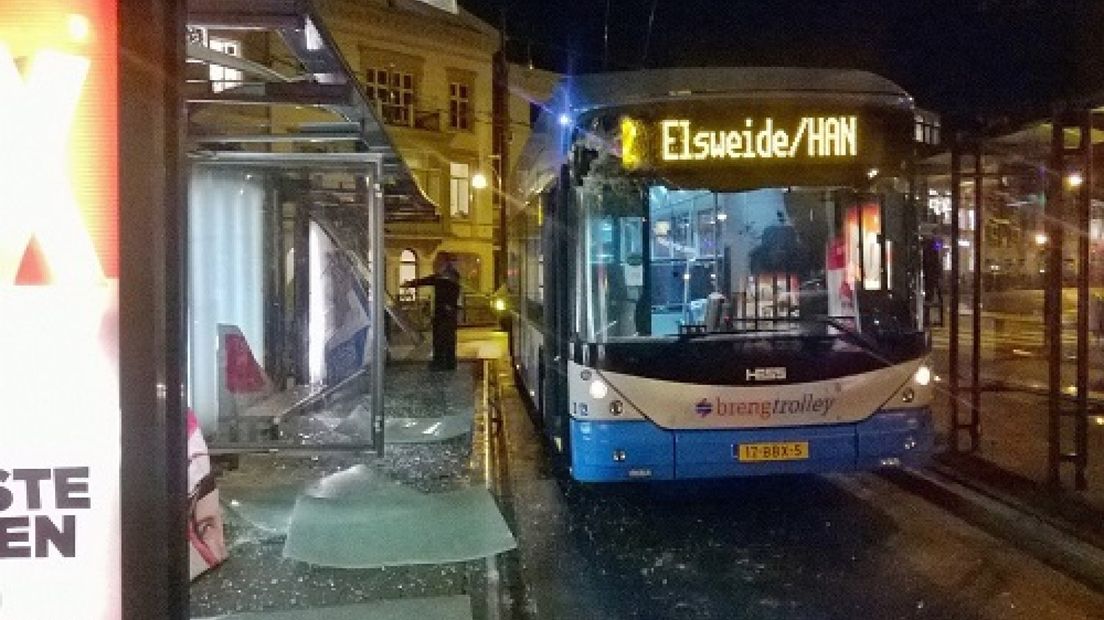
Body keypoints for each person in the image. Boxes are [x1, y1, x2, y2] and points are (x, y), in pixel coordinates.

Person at [402, 252, 461, 370]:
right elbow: (427, 280)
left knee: (443, 338)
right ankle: (447, 362)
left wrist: (449, 306)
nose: (435, 264)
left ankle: (441, 362)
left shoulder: (448, 277)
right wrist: (412, 283)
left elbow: (452, 292)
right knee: (444, 338)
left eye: (437, 261)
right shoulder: (444, 276)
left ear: (444, 263)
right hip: (443, 312)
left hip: (446, 313)